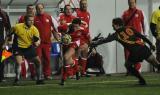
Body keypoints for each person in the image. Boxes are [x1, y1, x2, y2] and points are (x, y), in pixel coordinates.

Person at [91, 17, 160, 85]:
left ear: (117, 25)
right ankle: (142, 81)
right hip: (143, 47)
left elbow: (105, 40)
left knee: (128, 65)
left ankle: (142, 80)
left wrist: (95, 43)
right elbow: (141, 36)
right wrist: (150, 44)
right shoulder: (130, 28)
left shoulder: (117, 34)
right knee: (156, 63)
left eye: (113, 26)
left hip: (135, 51)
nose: (113, 27)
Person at [3, 14, 44, 85]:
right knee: (19, 62)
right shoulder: (17, 27)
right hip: (18, 47)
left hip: (28, 47)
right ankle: (17, 80)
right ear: (25, 21)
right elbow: (8, 34)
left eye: (32, 20)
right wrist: (5, 44)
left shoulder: (35, 29)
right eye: (29, 20)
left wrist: (37, 43)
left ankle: (39, 79)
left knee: (38, 62)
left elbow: (37, 41)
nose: (31, 22)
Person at [122, 0, 149, 75]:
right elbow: (121, 26)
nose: (131, 4)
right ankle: (129, 70)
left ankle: (137, 70)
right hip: (127, 38)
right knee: (127, 54)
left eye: (133, 2)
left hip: (137, 38)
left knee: (137, 54)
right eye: (130, 2)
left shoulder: (140, 12)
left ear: (135, 3)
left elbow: (145, 24)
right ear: (128, 3)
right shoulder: (124, 14)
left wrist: (145, 36)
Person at [34, 3, 59, 80]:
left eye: (41, 8)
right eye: (38, 8)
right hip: (37, 43)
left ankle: (47, 75)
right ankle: (38, 75)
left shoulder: (49, 17)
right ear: (36, 9)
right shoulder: (34, 18)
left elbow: (54, 29)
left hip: (47, 43)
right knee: (38, 59)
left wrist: (57, 38)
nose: (40, 10)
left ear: (43, 9)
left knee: (47, 59)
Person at [17, 4, 36, 80]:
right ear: (26, 10)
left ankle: (34, 75)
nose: (31, 10)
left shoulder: (37, 17)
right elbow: (17, 29)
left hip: (35, 42)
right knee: (23, 59)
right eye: (29, 9)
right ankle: (23, 75)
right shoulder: (21, 18)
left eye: (32, 9)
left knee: (34, 59)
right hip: (24, 43)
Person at [0, 2, 11, 82]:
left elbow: (8, 30)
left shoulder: (4, 14)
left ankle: (1, 77)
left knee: (2, 60)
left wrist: (6, 42)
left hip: (1, 42)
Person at [150, 6, 160, 72]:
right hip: (159, 37)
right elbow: (152, 25)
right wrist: (156, 35)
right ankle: (159, 68)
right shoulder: (156, 12)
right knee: (159, 53)